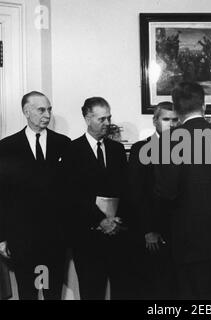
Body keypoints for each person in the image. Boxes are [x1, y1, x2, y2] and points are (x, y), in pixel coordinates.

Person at [154, 82, 211, 299]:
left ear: (177, 108)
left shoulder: (169, 140)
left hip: (187, 240)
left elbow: (167, 192)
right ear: (204, 104)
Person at [62, 97, 137, 299]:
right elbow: (72, 194)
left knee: (122, 291)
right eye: (101, 119)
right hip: (87, 239)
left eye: (109, 118)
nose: (107, 123)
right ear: (87, 118)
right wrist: (100, 220)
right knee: (91, 292)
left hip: (117, 235)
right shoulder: (72, 150)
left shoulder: (117, 150)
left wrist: (117, 221)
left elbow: (125, 190)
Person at [0, 91, 71, 300]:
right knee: (28, 293)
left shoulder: (64, 144)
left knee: (52, 293)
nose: (47, 115)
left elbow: (70, 192)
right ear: (26, 112)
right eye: (41, 109)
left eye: (49, 109)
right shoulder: (6, 147)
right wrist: (1, 237)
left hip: (55, 239)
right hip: (22, 240)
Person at [128, 101, 179, 299]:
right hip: (152, 233)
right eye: (166, 119)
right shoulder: (141, 149)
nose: (172, 124)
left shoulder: (188, 150)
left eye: (175, 120)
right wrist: (148, 229)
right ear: (155, 121)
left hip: (179, 233)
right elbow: (136, 193)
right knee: (155, 289)